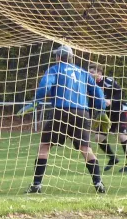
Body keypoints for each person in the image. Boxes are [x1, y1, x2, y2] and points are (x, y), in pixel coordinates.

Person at [26, 45, 107, 194]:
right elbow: (97, 92)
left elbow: (44, 87)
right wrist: (101, 109)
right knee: (85, 148)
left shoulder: (55, 69)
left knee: (45, 146)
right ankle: (98, 183)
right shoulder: (82, 72)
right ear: (71, 58)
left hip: (61, 111)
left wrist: (36, 101)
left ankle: (36, 185)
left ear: (58, 57)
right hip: (82, 113)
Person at [87, 63, 127, 172]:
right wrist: (89, 118)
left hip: (119, 111)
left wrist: (111, 101)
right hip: (106, 115)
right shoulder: (91, 86)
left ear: (99, 72)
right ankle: (112, 158)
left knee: (122, 135)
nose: (89, 74)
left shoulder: (108, 81)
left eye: (92, 72)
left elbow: (119, 93)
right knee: (98, 138)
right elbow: (91, 103)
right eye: (89, 71)